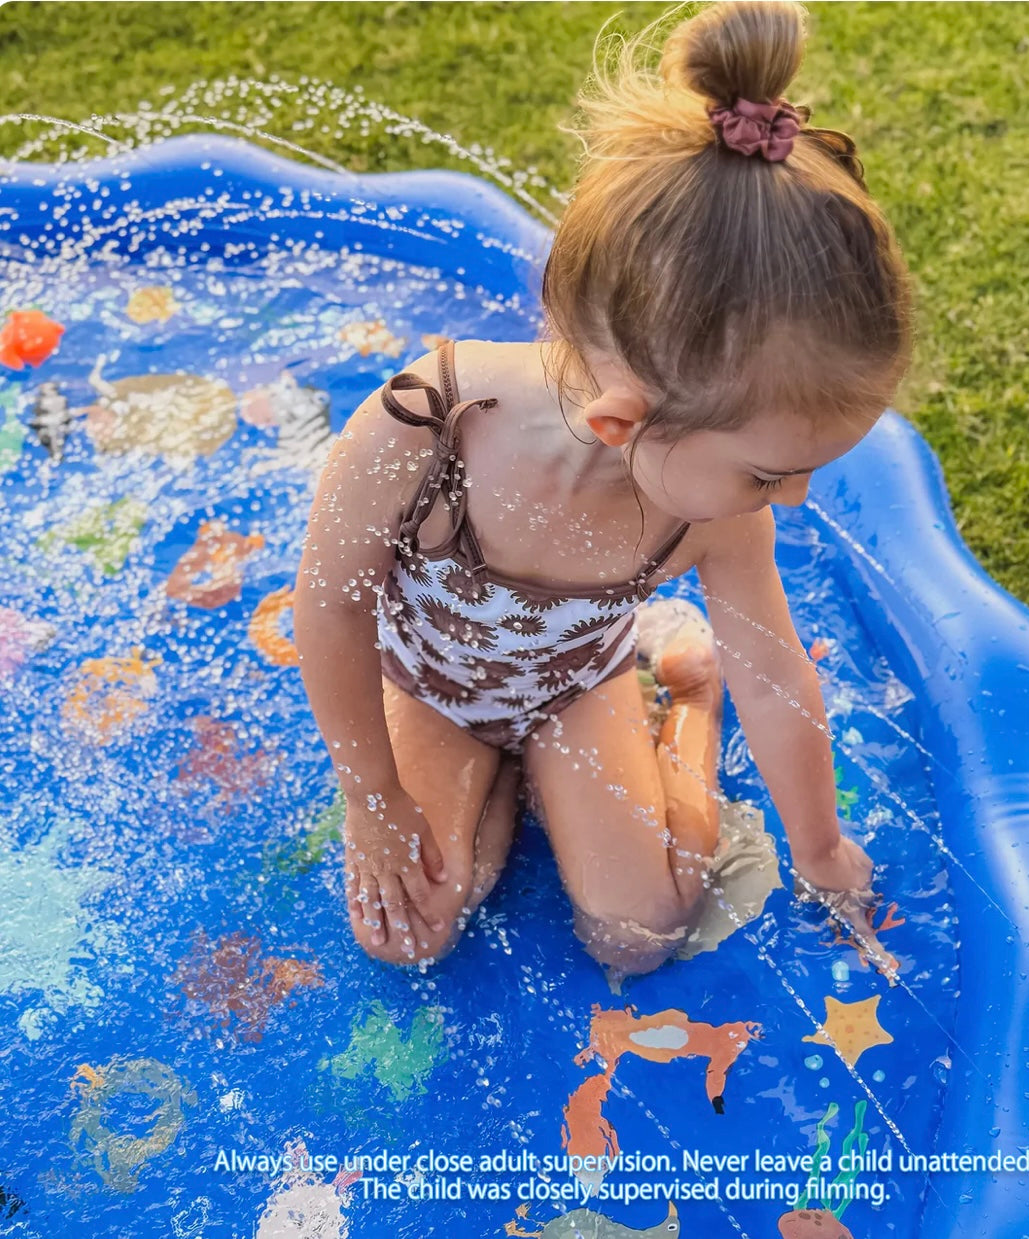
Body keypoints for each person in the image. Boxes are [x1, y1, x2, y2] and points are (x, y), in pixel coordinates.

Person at [292, 0, 915, 981]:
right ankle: (490, 780)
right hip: (433, 688)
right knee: (407, 931)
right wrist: (376, 796)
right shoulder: (423, 425)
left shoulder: (711, 509)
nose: (791, 499)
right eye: (768, 471)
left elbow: (777, 672)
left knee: (644, 930)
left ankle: (680, 700)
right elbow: (326, 610)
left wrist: (822, 847)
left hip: (576, 687)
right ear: (625, 423)